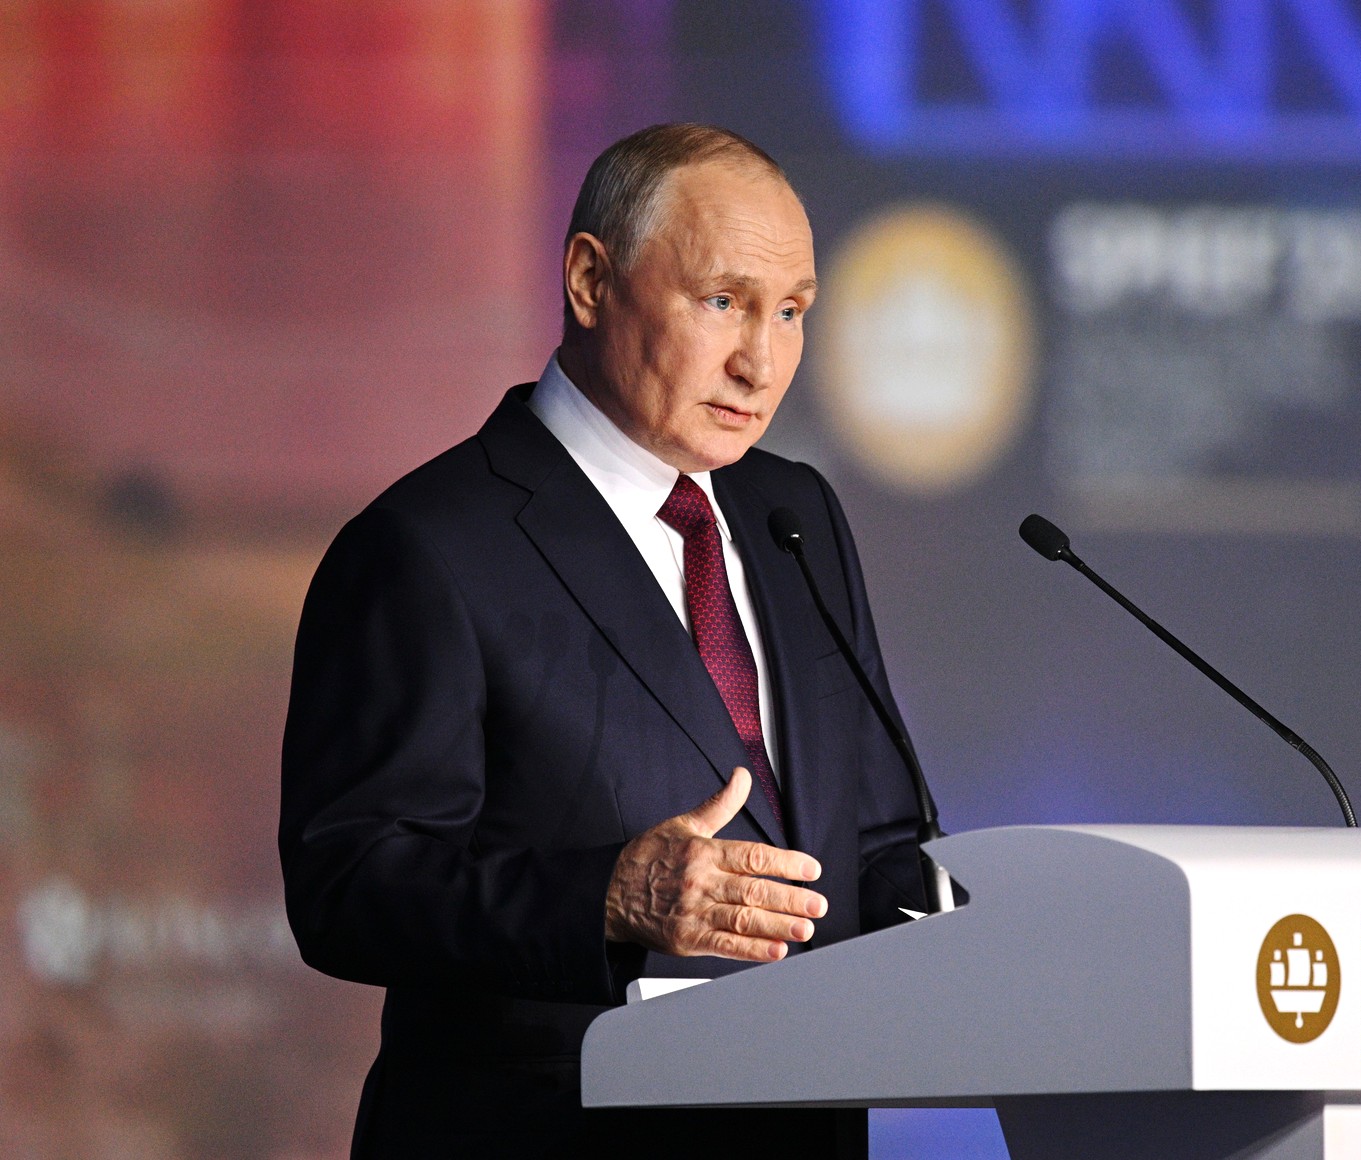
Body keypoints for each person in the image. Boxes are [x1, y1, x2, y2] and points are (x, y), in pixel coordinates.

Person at [279, 123, 927, 1159]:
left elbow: (878, 838)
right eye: (722, 302)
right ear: (590, 280)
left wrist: (1019, 928)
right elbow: (348, 887)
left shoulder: (792, 514)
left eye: (791, 312)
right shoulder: (427, 545)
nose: (760, 362)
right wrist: (610, 896)